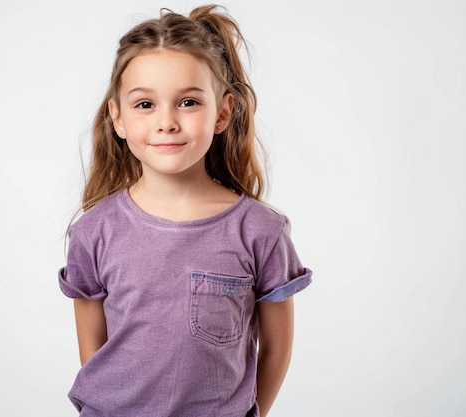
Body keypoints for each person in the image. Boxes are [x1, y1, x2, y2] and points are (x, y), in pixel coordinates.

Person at [58, 4, 312, 416]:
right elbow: (93, 351)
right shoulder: (94, 232)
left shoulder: (261, 231)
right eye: (145, 105)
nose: (167, 122)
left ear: (223, 112)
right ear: (117, 117)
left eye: (188, 102)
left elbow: (276, 350)